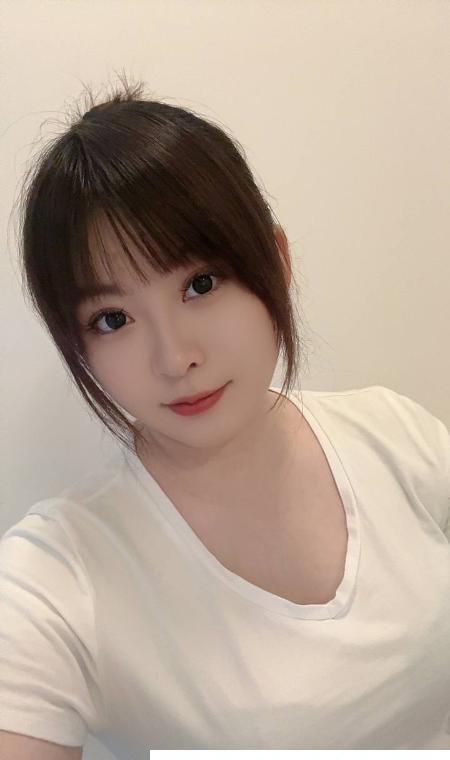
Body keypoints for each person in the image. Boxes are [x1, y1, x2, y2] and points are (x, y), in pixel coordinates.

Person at [1, 76, 449, 759]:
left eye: (200, 284)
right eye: (112, 319)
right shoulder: (58, 577)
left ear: (276, 258)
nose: (175, 357)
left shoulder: (393, 433)